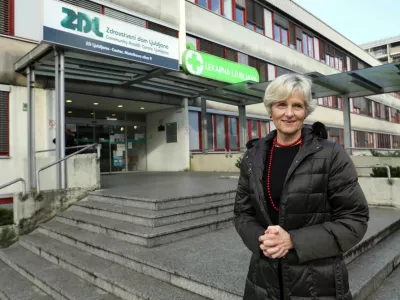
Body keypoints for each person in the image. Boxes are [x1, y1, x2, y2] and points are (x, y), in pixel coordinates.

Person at [234, 73, 369, 300]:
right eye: (281, 105)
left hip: (317, 282)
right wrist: (261, 240)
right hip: (264, 279)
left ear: (305, 111)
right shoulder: (253, 157)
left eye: (297, 105)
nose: (288, 113)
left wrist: (292, 240)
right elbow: (242, 213)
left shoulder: (331, 154)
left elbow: (355, 219)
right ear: (270, 110)